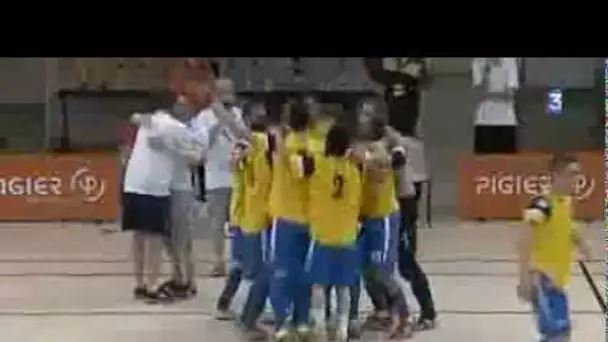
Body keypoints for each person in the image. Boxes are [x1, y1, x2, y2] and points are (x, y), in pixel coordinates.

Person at [123, 110, 204, 302]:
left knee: (175, 239)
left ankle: (184, 281)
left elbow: (198, 157)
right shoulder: (164, 125)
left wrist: (170, 146)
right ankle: (163, 282)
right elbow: (136, 117)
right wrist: (146, 120)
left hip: (167, 187)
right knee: (159, 239)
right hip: (159, 186)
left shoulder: (188, 128)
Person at [182, 65, 249, 277]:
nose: (229, 97)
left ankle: (241, 260)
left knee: (240, 223)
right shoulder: (203, 117)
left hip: (240, 176)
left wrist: (230, 120)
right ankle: (218, 260)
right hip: (216, 178)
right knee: (217, 223)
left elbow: (246, 137)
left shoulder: (238, 114)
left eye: (231, 92)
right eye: (224, 93)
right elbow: (200, 147)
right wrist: (217, 124)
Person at [517, 154, 591, 342]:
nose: (576, 179)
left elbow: (568, 225)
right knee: (555, 334)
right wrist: (525, 278)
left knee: (562, 332)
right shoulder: (542, 204)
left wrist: (581, 243)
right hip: (543, 279)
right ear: (557, 176)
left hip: (558, 280)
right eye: (571, 174)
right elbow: (525, 238)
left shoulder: (565, 202)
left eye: (578, 174)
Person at [355, 98, 413, 339]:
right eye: (361, 114)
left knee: (382, 270)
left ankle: (404, 317)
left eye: (366, 115)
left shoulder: (387, 143)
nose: (361, 119)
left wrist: (386, 156)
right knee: (365, 268)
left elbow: (398, 157)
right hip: (364, 215)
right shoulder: (358, 144)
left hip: (384, 215)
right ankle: (382, 312)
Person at [268, 98, 322, 341]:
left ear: (288, 120)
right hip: (310, 218)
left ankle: (282, 324)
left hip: (286, 216)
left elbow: (300, 170)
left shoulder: (288, 145)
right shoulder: (318, 143)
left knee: (281, 272)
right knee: (303, 272)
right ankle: (302, 322)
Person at [304, 124, 363, 342]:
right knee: (343, 285)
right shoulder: (354, 171)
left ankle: (319, 327)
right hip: (347, 237)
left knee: (319, 284)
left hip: (322, 235)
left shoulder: (318, 164)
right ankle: (342, 329)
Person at [471, 58, 519, 154]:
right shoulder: (478, 61)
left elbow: (510, 93)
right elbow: (477, 93)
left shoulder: (509, 60)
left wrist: (488, 95)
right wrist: (486, 71)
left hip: (506, 121)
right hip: (483, 121)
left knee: (505, 164)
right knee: (482, 163)